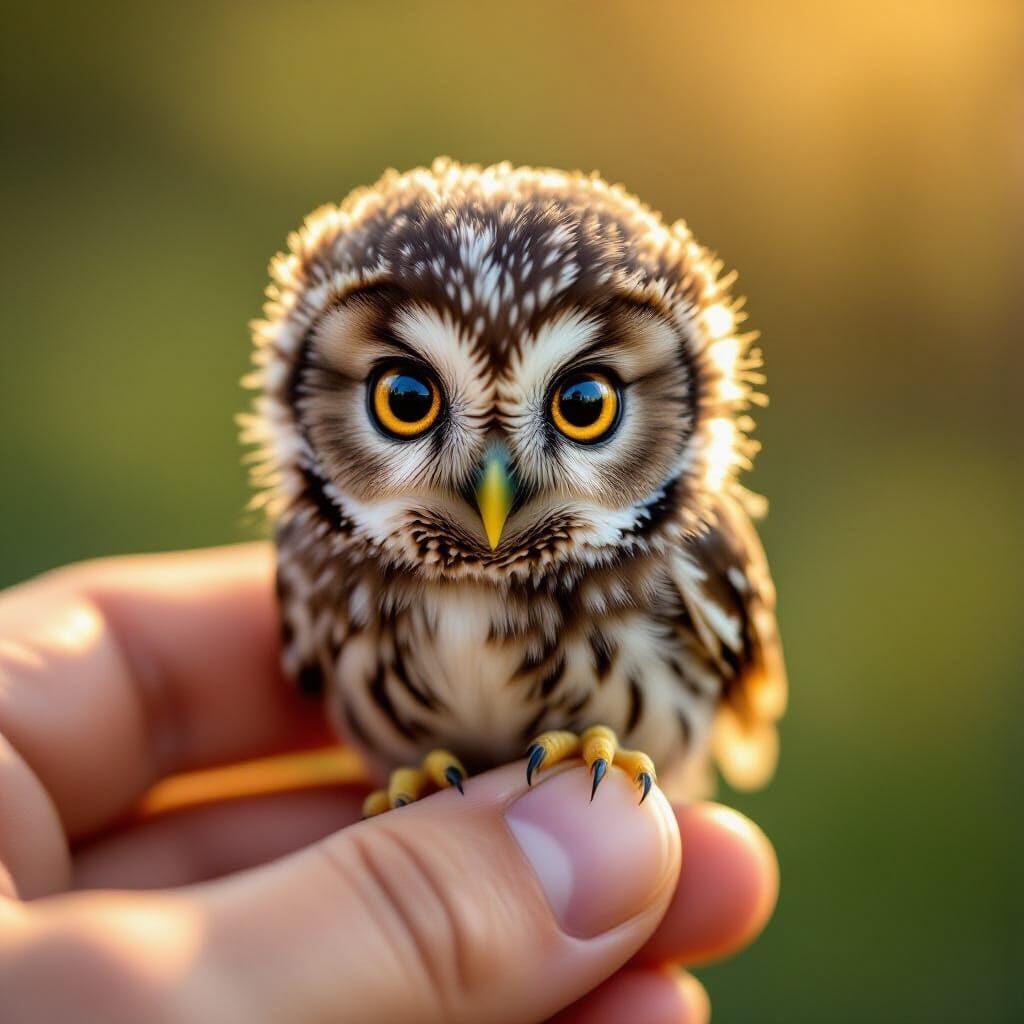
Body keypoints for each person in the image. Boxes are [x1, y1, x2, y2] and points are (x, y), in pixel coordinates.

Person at [0, 545, 778, 1023]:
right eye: (410, 403)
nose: (494, 478)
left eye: (581, 406)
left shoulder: (687, 542)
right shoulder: (323, 561)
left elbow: (744, 715)